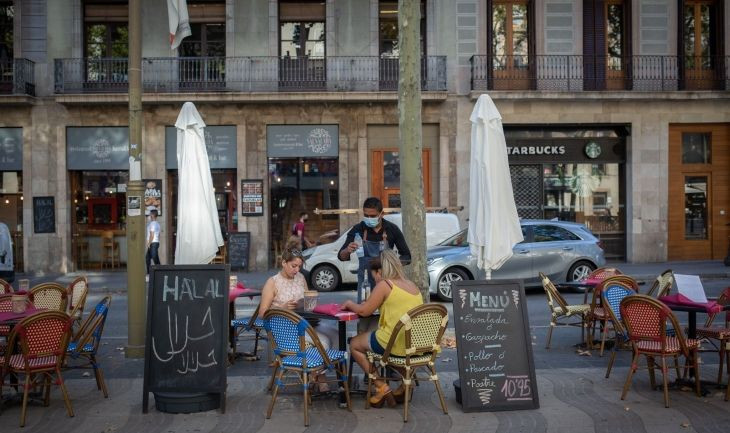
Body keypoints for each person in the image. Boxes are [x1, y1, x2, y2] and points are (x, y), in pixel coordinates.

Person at [341, 250, 423, 407]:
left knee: (355, 345)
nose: (374, 279)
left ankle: (381, 386)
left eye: (374, 275)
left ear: (379, 271)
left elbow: (365, 311)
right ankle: (406, 384)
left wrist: (350, 304)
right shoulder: (412, 285)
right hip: (414, 343)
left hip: (392, 342)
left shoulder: (385, 285)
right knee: (387, 351)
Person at [258, 248, 338, 390]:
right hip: (286, 332)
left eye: (299, 266)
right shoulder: (272, 282)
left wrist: (306, 302)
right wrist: (282, 307)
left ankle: (320, 374)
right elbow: (262, 313)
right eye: (293, 266)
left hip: (305, 323)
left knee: (335, 334)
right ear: (283, 263)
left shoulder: (300, 278)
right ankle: (321, 378)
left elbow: (308, 304)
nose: (297, 270)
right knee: (324, 341)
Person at [338, 197, 411, 303]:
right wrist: (347, 250)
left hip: (387, 281)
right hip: (365, 282)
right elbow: (341, 256)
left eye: (372, 216)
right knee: (365, 311)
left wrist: (391, 264)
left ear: (382, 214)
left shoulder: (392, 229)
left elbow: (407, 257)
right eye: (366, 215)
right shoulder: (358, 229)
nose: (368, 218)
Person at [145, 209, 161, 276]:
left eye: (150, 214)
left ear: (153, 215)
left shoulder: (153, 224)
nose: (149, 215)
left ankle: (159, 272)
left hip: (153, 243)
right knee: (148, 258)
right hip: (155, 242)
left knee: (154, 258)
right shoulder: (157, 224)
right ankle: (149, 273)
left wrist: (149, 243)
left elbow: (152, 235)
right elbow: (159, 234)